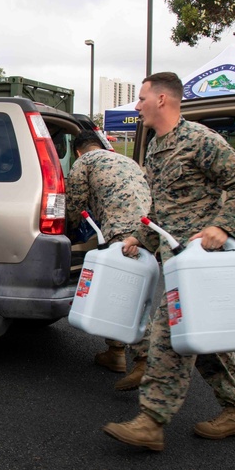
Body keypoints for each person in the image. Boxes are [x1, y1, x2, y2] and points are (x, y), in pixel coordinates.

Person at [102, 72, 235, 452]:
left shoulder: (200, 140)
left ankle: (151, 422)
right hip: (176, 263)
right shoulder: (156, 147)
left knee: (167, 337)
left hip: (200, 261)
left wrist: (223, 226)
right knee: (203, 338)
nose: (136, 106)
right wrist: (142, 237)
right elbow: (163, 210)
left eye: (141, 98)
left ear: (162, 100)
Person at [65, 124, 152, 388]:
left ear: (78, 151)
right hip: (148, 230)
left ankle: (145, 361)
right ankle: (115, 354)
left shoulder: (85, 162)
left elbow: (74, 204)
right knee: (124, 290)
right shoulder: (126, 160)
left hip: (122, 233)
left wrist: (67, 232)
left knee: (125, 296)